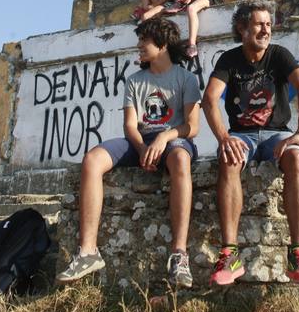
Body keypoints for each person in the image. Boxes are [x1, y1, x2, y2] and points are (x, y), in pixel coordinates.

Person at [56, 18, 200, 288]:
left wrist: (164, 137)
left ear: (163, 43)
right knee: (92, 159)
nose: (139, 46)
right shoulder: (135, 80)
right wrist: (144, 147)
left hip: (173, 141)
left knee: (181, 158)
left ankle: (179, 255)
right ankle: (88, 252)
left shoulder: (186, 78)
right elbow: (130, 126)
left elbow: (192, 127)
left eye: (144, 40)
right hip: (140, 142)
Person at [202, 0, 299, 286]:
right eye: (259, 24)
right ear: (242, 29)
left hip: (277, 133)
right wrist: (224, 137)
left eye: (269, 24)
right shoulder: (230, 59)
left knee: (295, 157)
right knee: (229, 158)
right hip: (241, 134)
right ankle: (230, 254)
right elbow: (209, 99)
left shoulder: (279, 55)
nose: (266, 30)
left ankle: (298, 254)